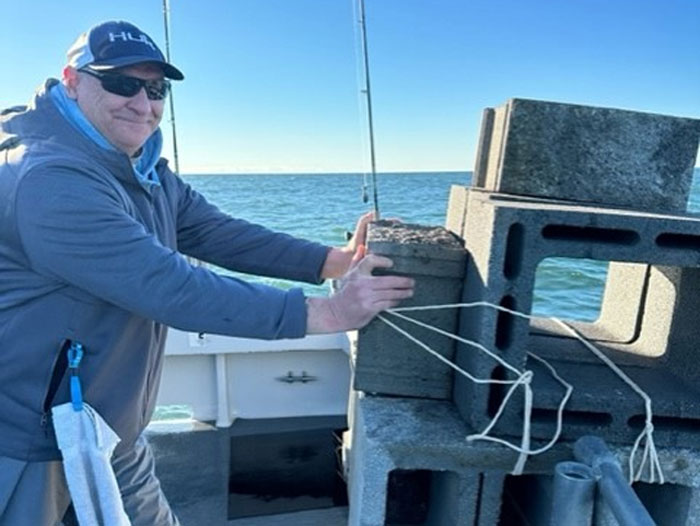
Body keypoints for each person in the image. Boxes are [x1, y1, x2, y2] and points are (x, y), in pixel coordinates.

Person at [0, 20, 414, 526]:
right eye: (122, 83)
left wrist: (333, 261)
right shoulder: (47, 178)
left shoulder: (140, 167)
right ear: (72, 80)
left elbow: (217, 232)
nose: (142, 103)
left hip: (107, 428)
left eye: (156, 89)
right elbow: (167, 285)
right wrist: (328, 312)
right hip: (28, 438)